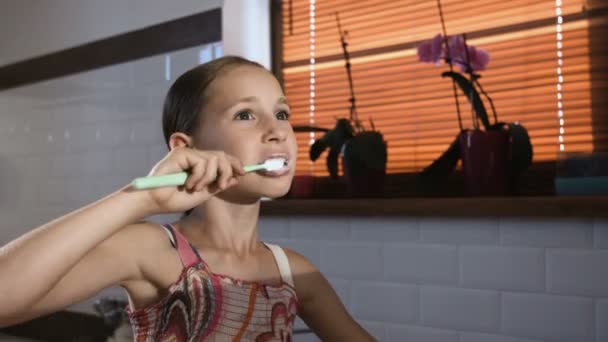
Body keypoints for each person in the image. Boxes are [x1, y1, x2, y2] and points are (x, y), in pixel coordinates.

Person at [0, 56, 374, 341]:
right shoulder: (150, 250)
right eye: (245, 115)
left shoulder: (293, 271)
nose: (278, 130)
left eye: (281, 113)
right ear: (184, 147)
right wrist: (139, 199)